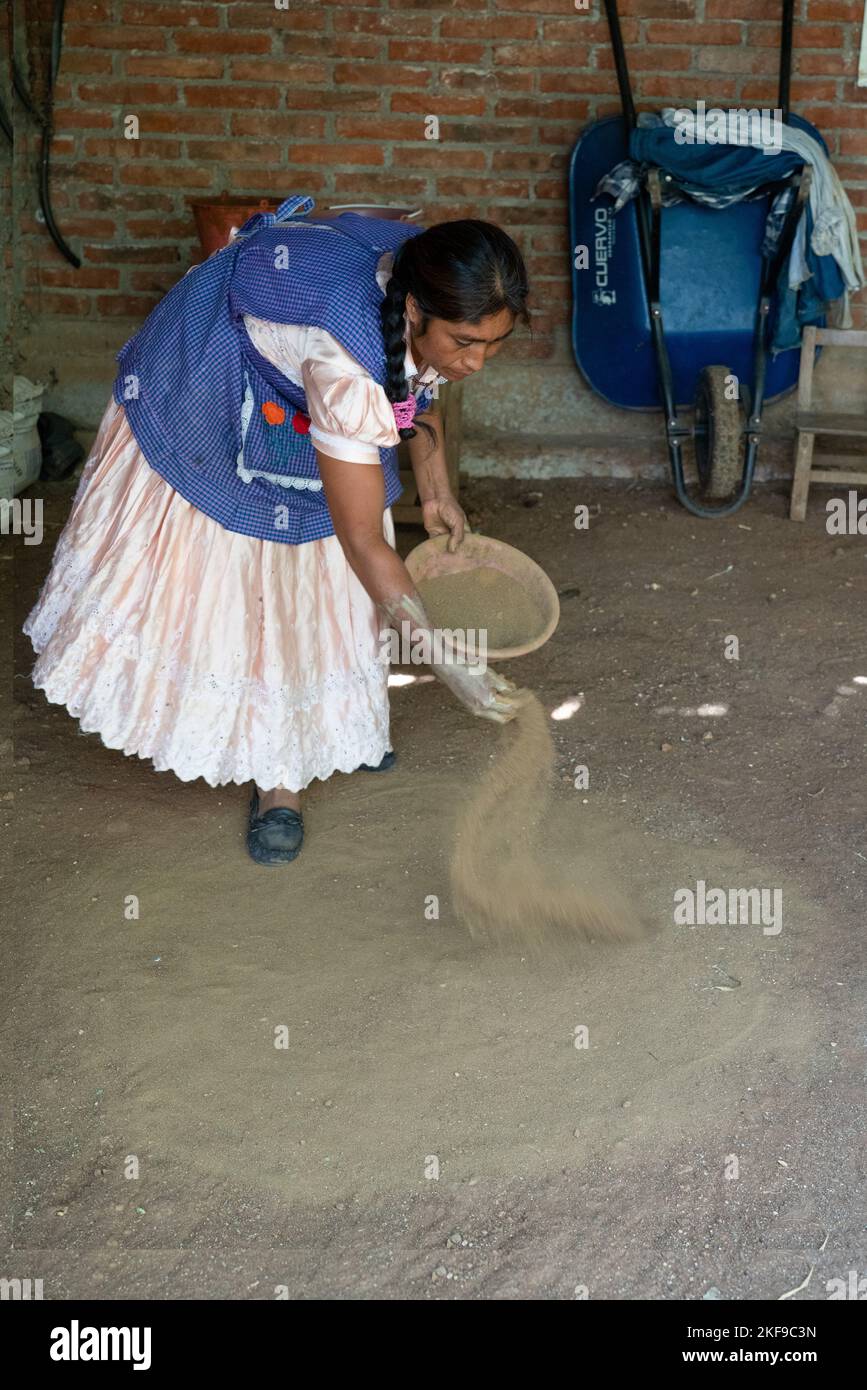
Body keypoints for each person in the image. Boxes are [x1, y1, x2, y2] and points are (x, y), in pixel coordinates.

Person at [24, 196, 530, 865]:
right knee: (257, 572)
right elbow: (361, 542)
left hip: (297, 382)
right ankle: (276, 781)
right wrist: (441, 656)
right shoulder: (343, 359)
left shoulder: (432, 269)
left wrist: (433, 489)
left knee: (319, 556)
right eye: (465, 343)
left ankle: (337, 727)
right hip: (211, 371)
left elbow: (416, 387)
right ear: (412, 312)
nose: (477, 362)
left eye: (494, 344)